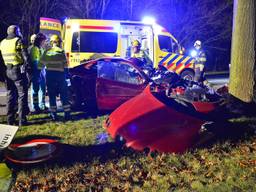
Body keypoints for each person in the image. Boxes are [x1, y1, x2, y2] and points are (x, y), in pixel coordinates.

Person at [0, 25, 31, 126]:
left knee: (10, 95)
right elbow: (26, 57)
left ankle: (10, 120)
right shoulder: (18, 41)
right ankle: (22, 120)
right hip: (17, 70)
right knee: (22, 95)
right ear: (17, 31)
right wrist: (28, 68)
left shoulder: (2, 42)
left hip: (7, 71)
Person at [38, 34, 71, 121]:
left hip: (50, 76)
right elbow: (65, 66)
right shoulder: (61, 51)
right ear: (58, 42)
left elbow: (40, 65)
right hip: (60, 76)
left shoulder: (46, 52)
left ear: (52, 42)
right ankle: (67, 114)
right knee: (64, 96)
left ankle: (53, 115)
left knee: (52, 96)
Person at [28, 33, 47, 113]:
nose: (44, 42)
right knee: (35, 89)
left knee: (43, 89)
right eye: (43, 40)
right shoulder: (34, 49)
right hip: (36, 71)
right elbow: (34, 62)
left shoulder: (40, 49)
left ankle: (42, 104)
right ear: (40, 40)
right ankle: (36, 106)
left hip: (42, 71)